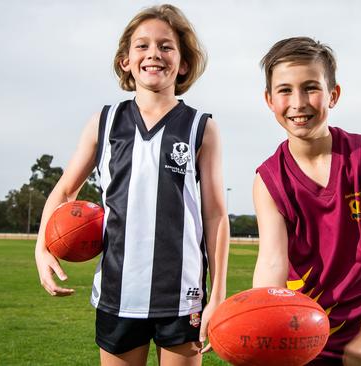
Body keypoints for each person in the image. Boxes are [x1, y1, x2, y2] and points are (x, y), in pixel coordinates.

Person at [34, 5, 229, 365]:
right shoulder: (104, 122)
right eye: (142, 46)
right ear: (125, 60)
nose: (154, 53)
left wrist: (218, 293)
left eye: (166, 46)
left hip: (182, 296)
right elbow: (64, 191)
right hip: (118, 291)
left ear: (183, 63)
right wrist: (42, 246)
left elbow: (215, 215)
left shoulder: (201, 127)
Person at [252, 37, 361, 365]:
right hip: (305, 335)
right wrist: (262, 323)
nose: (298, 102)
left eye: (310, 87)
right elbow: (272, 262)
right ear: (268, 100)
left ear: (333, 95)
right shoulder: (267, 180)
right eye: (285, 90)